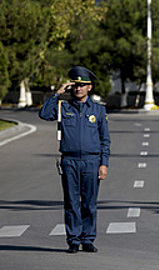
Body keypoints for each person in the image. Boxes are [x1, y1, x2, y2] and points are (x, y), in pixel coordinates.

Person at [39, 66, 110, 254]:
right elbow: (44, 114)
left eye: (82, 85)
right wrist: (57, 94)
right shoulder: (64, 107)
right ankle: (73, 240)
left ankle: (88, 239)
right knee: (71, 202)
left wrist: (104, 164)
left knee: (89, 203)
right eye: (75, 85)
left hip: (92, 161)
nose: (78, 89)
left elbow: (105, 140)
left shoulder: (99, 111)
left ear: (90, 88)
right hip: (69, 161)